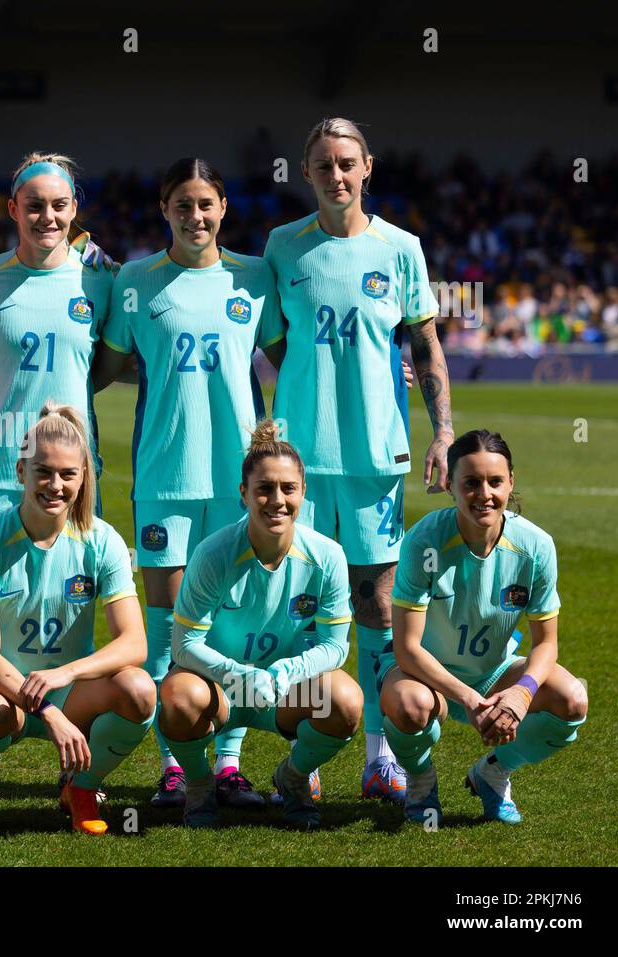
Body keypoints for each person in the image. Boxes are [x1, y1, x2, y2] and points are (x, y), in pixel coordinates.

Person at [262, 117, 455, 802]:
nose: (336, 175)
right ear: (306, 172)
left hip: (376, 456)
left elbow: (426, 347)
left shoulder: (402, 249)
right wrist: (315, 383)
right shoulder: (283, 246)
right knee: (302, 604)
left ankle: (380, 757)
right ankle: (307, 753)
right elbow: (276, 342)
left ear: (367, 167)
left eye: (347, 163)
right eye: (323, 165)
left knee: (376, 601)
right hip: (300, 463)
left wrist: (442, 432)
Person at [94, 158, 288, 810]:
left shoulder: (254, 277)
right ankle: (175, 766)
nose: (195, 216)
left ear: (223, 207)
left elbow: (293, 361)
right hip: (164, 479)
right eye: (183, 204)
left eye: (206, 204)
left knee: (225, 628)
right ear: (164, 207)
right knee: (165, 629)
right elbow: (108, 367)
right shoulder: (135, 282)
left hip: (240, 483)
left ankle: (227, 765)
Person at [0, 404, 154, 835]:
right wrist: (47, 711)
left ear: (83, 477)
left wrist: (64, 674)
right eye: (43, 472)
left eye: (67, 474)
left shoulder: (103, 541)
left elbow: (134, 644)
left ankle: (81, 787)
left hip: (69, 693)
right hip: (4, 693)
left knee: (140, 690)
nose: (55, 485)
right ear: (20, 471)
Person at [157, 422, 361, 829]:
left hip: (284, 695)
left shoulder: (329, 557)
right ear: (244, 494)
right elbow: (183, 646)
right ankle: (199, 784)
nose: (277, 500)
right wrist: (239, 674)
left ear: (304, 492)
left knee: (344, 702)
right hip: (219, 692)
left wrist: (286, 672)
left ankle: (293, 778)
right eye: (264, 488)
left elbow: (335, 647)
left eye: (288, 488)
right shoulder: (213, 554)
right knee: (178, 698)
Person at [380, 430, 587, 826]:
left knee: (572, 699)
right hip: (425, 675)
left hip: (494, 672)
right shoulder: (425, 541)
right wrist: (471, 701)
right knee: (410, 707)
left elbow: (547, 644)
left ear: (511, 482)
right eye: (471, 483)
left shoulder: (536, 547)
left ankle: (492, 773)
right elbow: (406, 648)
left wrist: (522, 695)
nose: (484, 494)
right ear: (450, 485)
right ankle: (421, 782)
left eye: (495, 481)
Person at [0, 152, 115, 530]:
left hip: (71, 472)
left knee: (70, 589)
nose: (48, 217)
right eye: (34, 205)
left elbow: (115, 362)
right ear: (12, 208)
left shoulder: (102, 280)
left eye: (59, 205)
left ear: (74, 208)